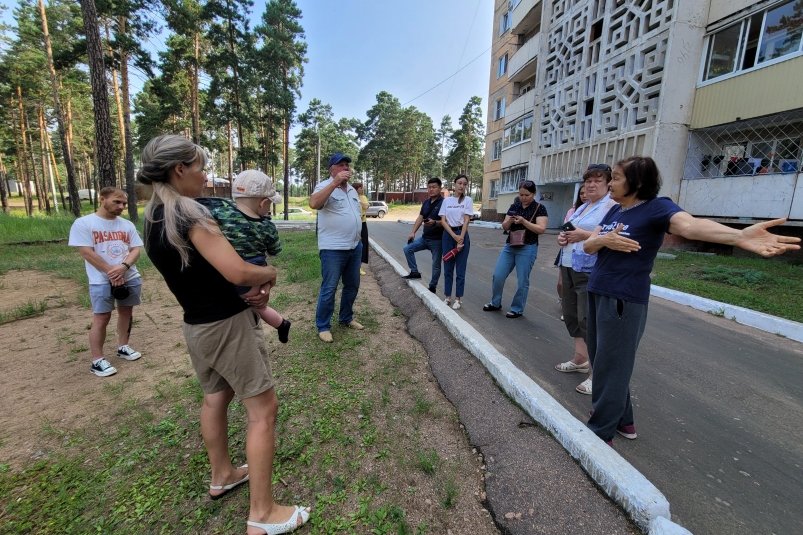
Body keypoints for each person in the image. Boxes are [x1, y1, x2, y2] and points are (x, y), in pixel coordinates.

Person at [138, 134, 309, 534]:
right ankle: (263, 514)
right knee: (263, 411)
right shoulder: (190, 215)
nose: (205, 174)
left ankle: (223, 475)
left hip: (197, 325)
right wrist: (269, 273)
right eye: (199, 166)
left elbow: (201, 271)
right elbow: (238, 271)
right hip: (228, 325)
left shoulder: (153, 217)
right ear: (180, 169)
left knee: (216, 396)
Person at [583, 156, 799, 445]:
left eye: (617, 178)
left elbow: (689, 226)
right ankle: (624, 421)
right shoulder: (615, 212)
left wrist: (737, 236)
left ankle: (599, 435)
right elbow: (588, 245)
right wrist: (603, 241)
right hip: (598, 291)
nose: (610, 183)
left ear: (637, 183)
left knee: (611, 366)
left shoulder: (657, 208)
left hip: (623, 299)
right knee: (604, 362)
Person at [196, 169, 292, 343]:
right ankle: (281, 324)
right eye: (270, 203)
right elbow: (275, 250)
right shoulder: (266, 226)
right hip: (256, 270)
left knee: (253, 306)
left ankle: (281, 324)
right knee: (258, 305)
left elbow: (199, 203)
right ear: (263, 203)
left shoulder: (220, 211)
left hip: (227, 265)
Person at [554, 165, 617, 395]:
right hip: (570, 264)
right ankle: (580, 359)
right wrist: (564, 237)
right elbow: (571, 231)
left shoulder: (611, 207)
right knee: (572, 315)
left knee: (588, 320)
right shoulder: (583, 207)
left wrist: (583, 235)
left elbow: (612, 236)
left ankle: (595, 373)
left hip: (589, 269)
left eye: (597, 181)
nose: (590, 185)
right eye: (588, 181)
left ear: (608, 183)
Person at [68, 186, 144, 378]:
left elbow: (136, 249)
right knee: (101, 317)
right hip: (100, 281)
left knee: (126, 312)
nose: (121, 206)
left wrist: (123, 267)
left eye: (124, 203)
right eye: (116, 202)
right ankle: (97, 360)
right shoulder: (84, 223)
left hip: (130, 276)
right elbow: (86, 252)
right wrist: (112, 272)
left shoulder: (127, 225)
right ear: (102, 199)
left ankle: (123, 346)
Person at [309, 152, 364, 343]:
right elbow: (314, 203)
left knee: (352, 285)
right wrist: (334, 183)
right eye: (341, 165)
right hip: (333, 248)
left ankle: (346, 318)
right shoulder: (324, 185)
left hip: (354, 246)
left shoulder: (352, 190)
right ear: (332, 169)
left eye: (347, 165)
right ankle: (323, 326)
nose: (345, 168)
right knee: (330, 287)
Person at [482, 180, 548, 318]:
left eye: (527, 195)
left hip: (528, 247)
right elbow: (505, 226)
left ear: (534, 194)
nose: (523, 198)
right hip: (510, 245)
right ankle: (495, 302)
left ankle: (517, 308)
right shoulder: (514, 206)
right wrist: (510, 221)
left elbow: (541, 229)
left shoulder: (539, 208)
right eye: (521, 194)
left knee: (522, 280)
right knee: (498, 275)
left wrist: (524, 222)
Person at [402, 177, 444, 293]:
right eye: (429, 187)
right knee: (407, 249)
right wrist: (413, 232)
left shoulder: (444, 203)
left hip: (437, 241)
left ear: (440, 188)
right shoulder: (426, 203)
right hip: (425, 238)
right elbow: (420, 218)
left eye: (434, 187)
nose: (431, 189)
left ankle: (432, 286)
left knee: (436, 265)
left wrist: (435, 222)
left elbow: (447, 222)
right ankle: (414, 272)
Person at [439, 174, 473, 310]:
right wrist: (453, 235)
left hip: (462, 234)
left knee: (460, 269)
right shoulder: (446, 201)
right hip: (448, 235)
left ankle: (458, 299)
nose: (462, 186)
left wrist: (461, 238)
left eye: (465, 184)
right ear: (454, 184)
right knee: (447, 267)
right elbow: (443, 220)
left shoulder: (468, 200)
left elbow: (466, 220)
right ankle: (447, 296)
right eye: (460, 183)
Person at [354, 182, 369, 275]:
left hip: (363, 223)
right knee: (354, 243)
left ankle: (359, 267)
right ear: (356, 189)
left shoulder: (363, 197)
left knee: (364, 245)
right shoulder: (350, 196)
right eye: (360, 188)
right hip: (354, 224)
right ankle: (352, 266)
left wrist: (359, 201)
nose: (362, 189)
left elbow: (366, 206)